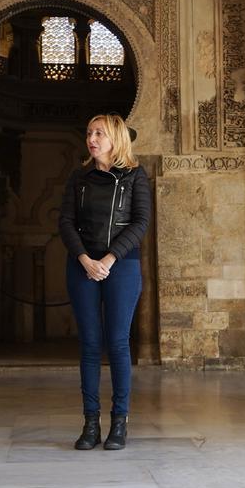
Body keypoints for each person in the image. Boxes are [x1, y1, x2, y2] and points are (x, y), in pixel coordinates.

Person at [57, 113, 150, 451]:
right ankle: (91, 424)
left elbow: (140, 222)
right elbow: (66, 222)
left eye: (98, 133)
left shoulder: (136, 175)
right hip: (82, 266)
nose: (91, 139)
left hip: (121, 266)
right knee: (90, 345)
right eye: (88, 132)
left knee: (118, 343)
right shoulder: (78, 178)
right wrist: (85, 259)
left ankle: (120, 423)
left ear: (115, 139)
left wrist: (109, 260)